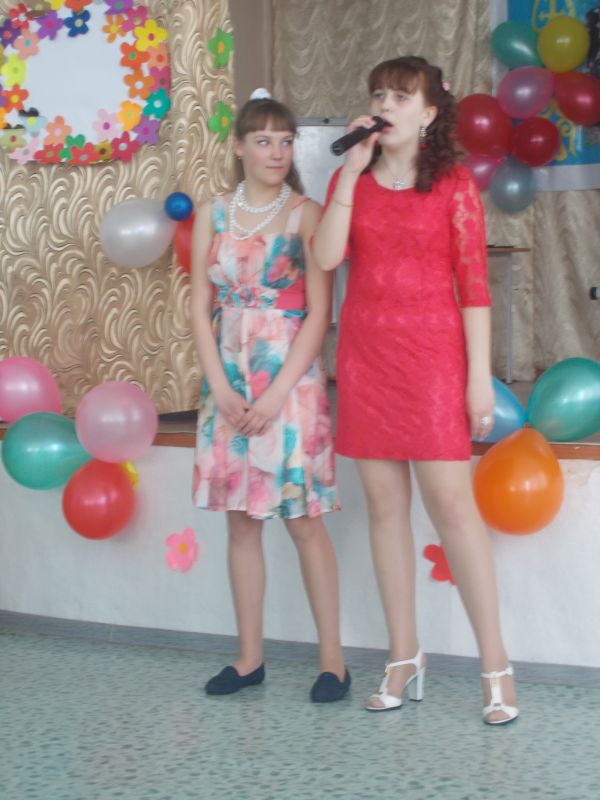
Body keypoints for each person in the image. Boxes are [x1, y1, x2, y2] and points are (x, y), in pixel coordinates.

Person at [313, 57, 518, 724]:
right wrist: (349, 173)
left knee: (453, 507)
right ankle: (404, 655)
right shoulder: (352, 181)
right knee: (383, 508)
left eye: (400, 97)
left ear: (429, 114)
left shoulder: (454, 184)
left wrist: (478, 377)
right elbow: (325, 257)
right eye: (378, 94)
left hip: (433, 361)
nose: (385, 105)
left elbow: (475, 287)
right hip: (367, 359)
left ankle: (496, 664)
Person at [190, 91, 350, 703]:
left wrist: (279, 391)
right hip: (227, 383)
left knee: (303, 522)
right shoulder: (212, 214)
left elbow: (320, 312)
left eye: (285, 141)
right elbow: (199, 307)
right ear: (239, 147)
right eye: (263, 141)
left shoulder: (307, 214)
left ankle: (333, 664)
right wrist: (220, 386)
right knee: (240, 522)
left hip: (290, 384)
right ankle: (249, 659)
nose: (277, 152)